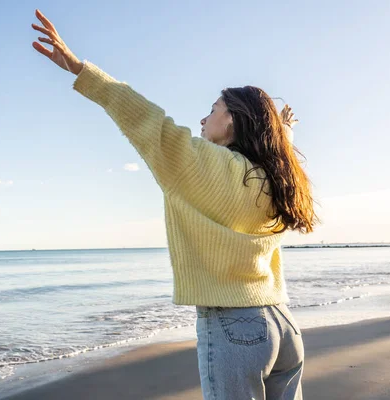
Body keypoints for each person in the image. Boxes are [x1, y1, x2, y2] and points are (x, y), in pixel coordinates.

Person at [31, 9, 317, 400]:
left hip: (236, 330)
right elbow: (280, 152)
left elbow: (146, 119)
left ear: (233, 119)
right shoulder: (277, 178)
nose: (202, 119)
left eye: (213, 110)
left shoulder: (203, 165)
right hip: (281, 324)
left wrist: (82, 70)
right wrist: (284, 131)